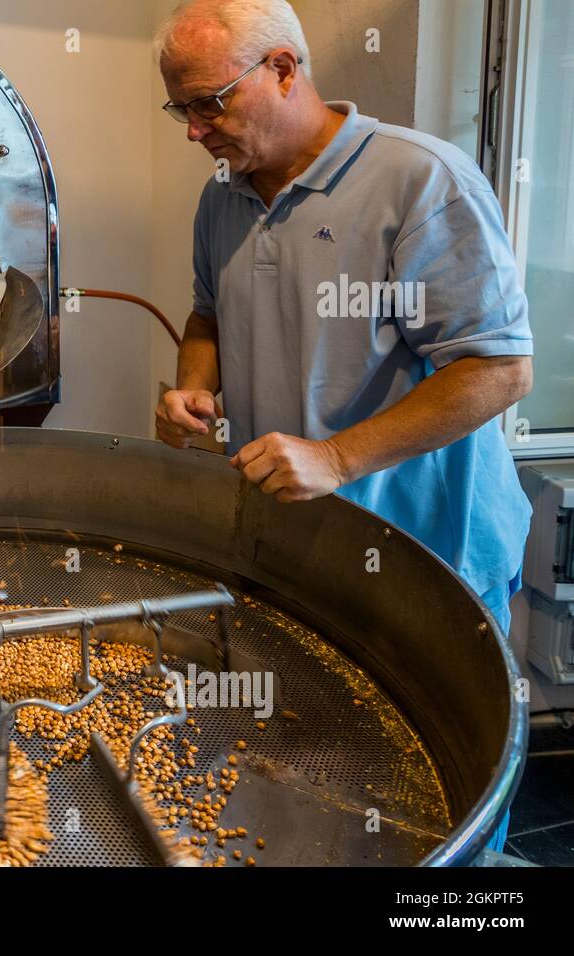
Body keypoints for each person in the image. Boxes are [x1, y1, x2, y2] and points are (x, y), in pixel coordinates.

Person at [153, 0, 533, 853]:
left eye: (211, 102)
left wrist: (336, 455)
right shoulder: (224, 198)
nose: (194, 131)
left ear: (286, 69)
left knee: (451, 792)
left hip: (431, 547)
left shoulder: (418, 180)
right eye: (182, 108)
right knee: (338, 780)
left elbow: (501, 368)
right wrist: (192, 389)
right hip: (306, 546)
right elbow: (207, 314)